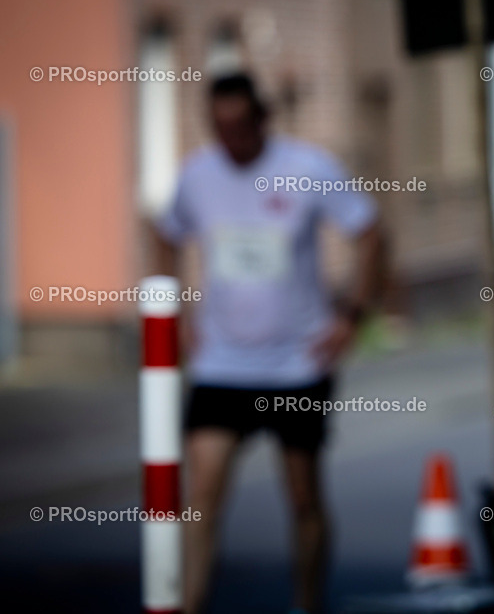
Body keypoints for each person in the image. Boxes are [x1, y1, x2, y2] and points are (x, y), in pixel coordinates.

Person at [152, 73, 383, 614]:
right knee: (202, 491)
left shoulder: (307, 168)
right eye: (218, 126)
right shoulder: (197, 175)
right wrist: (177, 311)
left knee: (302, 497)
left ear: (261, 120)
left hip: (296, 365)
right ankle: (190, 603)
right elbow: (165, 236)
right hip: (221, 365)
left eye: (238, 125)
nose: (228, 138)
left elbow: (370, 233)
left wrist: (351, 314)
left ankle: (306, 603)